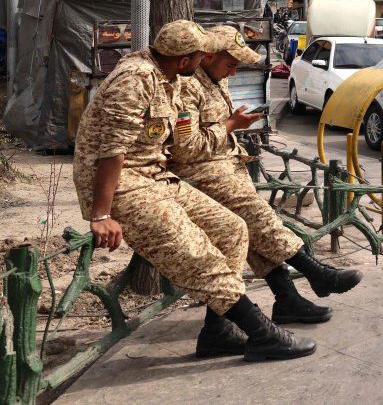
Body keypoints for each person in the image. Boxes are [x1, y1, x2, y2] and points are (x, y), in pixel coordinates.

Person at [72, 20, 314, 362]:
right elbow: (112, 150)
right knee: (199, 256)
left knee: (232, 230)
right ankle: (262, 333)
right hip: (124, 186)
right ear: (186, 60)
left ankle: (217, 333)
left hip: (153, 176)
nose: (206, 60)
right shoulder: (134, 80)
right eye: (202, 55)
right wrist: (101, 214)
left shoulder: (166, 75)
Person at [170, 26, 362, 329]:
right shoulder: (187, 88)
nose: (233, 73)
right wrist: (231, 125)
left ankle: (287, 298)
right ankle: (314, 273)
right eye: (230, 64)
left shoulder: (214, 80)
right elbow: (186, 149)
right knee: (259, 216)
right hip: (199, 174)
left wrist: (234, 124)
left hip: (224, 167)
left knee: (255, 227)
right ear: (206, 57)